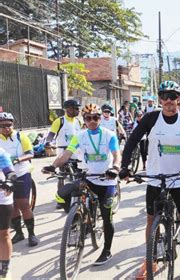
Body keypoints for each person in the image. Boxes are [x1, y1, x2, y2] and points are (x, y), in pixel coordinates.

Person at [119, 80, 180, 279]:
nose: (168, 100)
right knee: (151, 219)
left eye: (173, 96)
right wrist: (124, 166)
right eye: (165, 96)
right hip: (156, 178)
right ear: (159, 98)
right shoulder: (150, 118)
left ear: (178, 98)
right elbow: (132, 141)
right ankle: (150, 259)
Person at [43, 103, 121, 266]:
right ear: (84, 119)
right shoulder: (79, 135)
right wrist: (54, 165)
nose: (92, 121)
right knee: (63, 194)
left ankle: (107, 250)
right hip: (88, 177)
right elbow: (67, 154)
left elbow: (116, 154)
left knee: (107, 217)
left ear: (100, 118)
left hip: (106, 180)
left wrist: (115, 168)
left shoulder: (109, 135)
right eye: (88, 118)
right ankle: (79, 220)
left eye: (96, 118)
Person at [0, 113, 38, 247]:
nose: (6, 128)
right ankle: (19, 233)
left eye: (9, 125)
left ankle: (32, 234)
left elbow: (30, 153)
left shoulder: (20, 136)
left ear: (13, 125)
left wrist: (18, 159)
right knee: (11, 206)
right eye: (3, 126)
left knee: (23, 205)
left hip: (21, 173)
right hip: (4, 177)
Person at [0, 148, 17, 280]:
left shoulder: (1, 152)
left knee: (3, 234)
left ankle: (4, 270)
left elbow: (10, 171)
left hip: (1, 198)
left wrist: (10, 180)